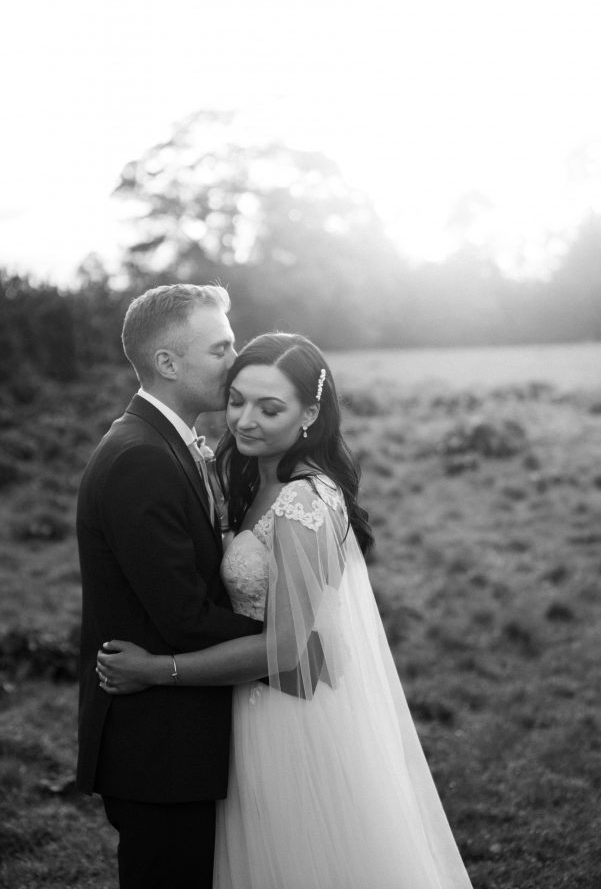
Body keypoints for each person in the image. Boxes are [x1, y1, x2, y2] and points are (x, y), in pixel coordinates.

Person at [97, 333, 474, 889]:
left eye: (269, 409)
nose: (244, 421)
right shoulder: (251, 479)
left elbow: (285, 647)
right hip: (246, 705)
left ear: (310, 414)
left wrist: (158, 670)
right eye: (237, 400)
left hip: (289, 713)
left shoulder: (303, 500)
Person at [76, 284, 263, 889]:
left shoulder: (162, 442)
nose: (235, 359)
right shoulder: (142, 458)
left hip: (172, 736)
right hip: (158, 745)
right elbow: (185, 617)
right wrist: (284, 641)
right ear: (168, 363)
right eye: (219, 348)